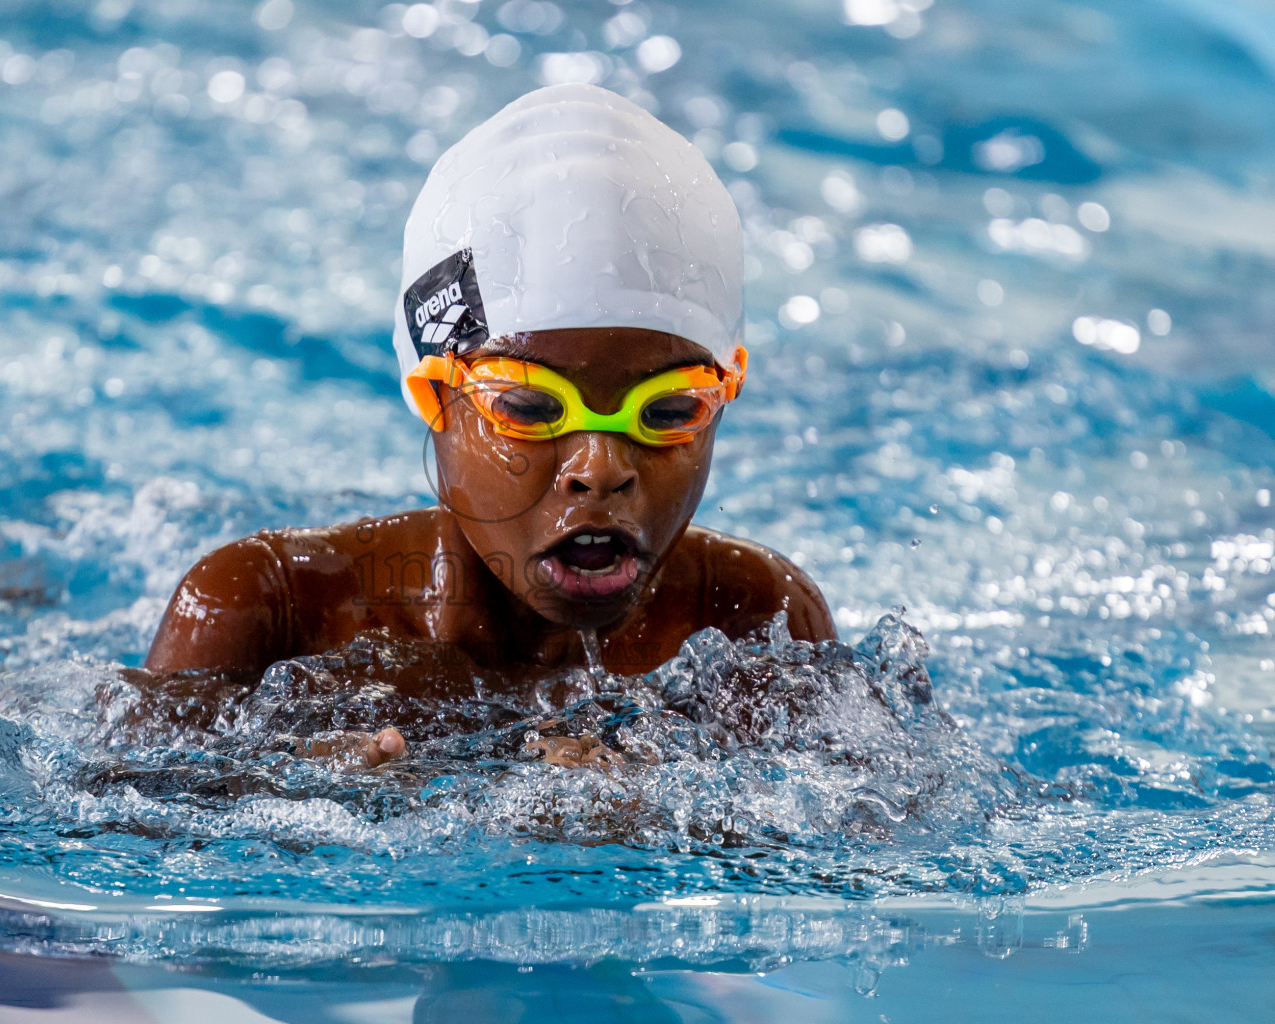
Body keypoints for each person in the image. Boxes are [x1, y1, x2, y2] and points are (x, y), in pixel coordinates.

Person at [142, 83, 834, 766]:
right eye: (530, 407)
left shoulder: (756, 618)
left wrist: (664, 824)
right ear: (434, 397)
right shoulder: (273, 610)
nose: (599, 466)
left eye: (669, 410)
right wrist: (283, 794)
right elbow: (110, 822)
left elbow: (864, 839)